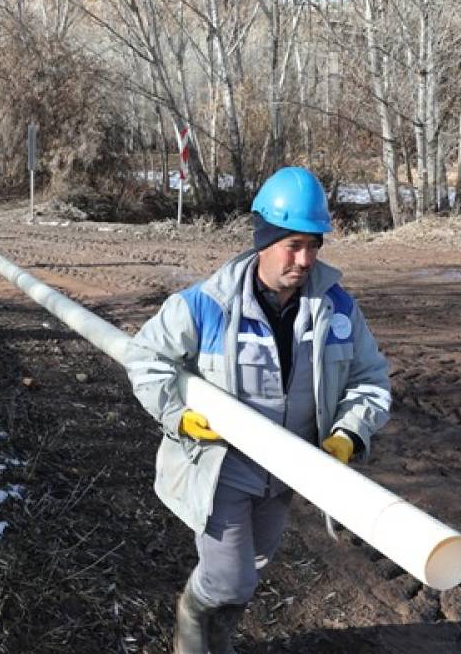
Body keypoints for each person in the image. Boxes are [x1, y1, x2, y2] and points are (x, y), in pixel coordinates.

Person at [124, 167, 391, 653]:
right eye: (293, 245)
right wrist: (177, 414)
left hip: (286, 473)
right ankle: (191, 617)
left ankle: (218, 641)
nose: (305, 259)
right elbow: (145, 357)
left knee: (255, 567)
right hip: (222, 467)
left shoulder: (337, 310)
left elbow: (369, 379)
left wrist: (349, 434)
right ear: (263, 240)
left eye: (314, 245)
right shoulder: (208, 304)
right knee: (229, 579)